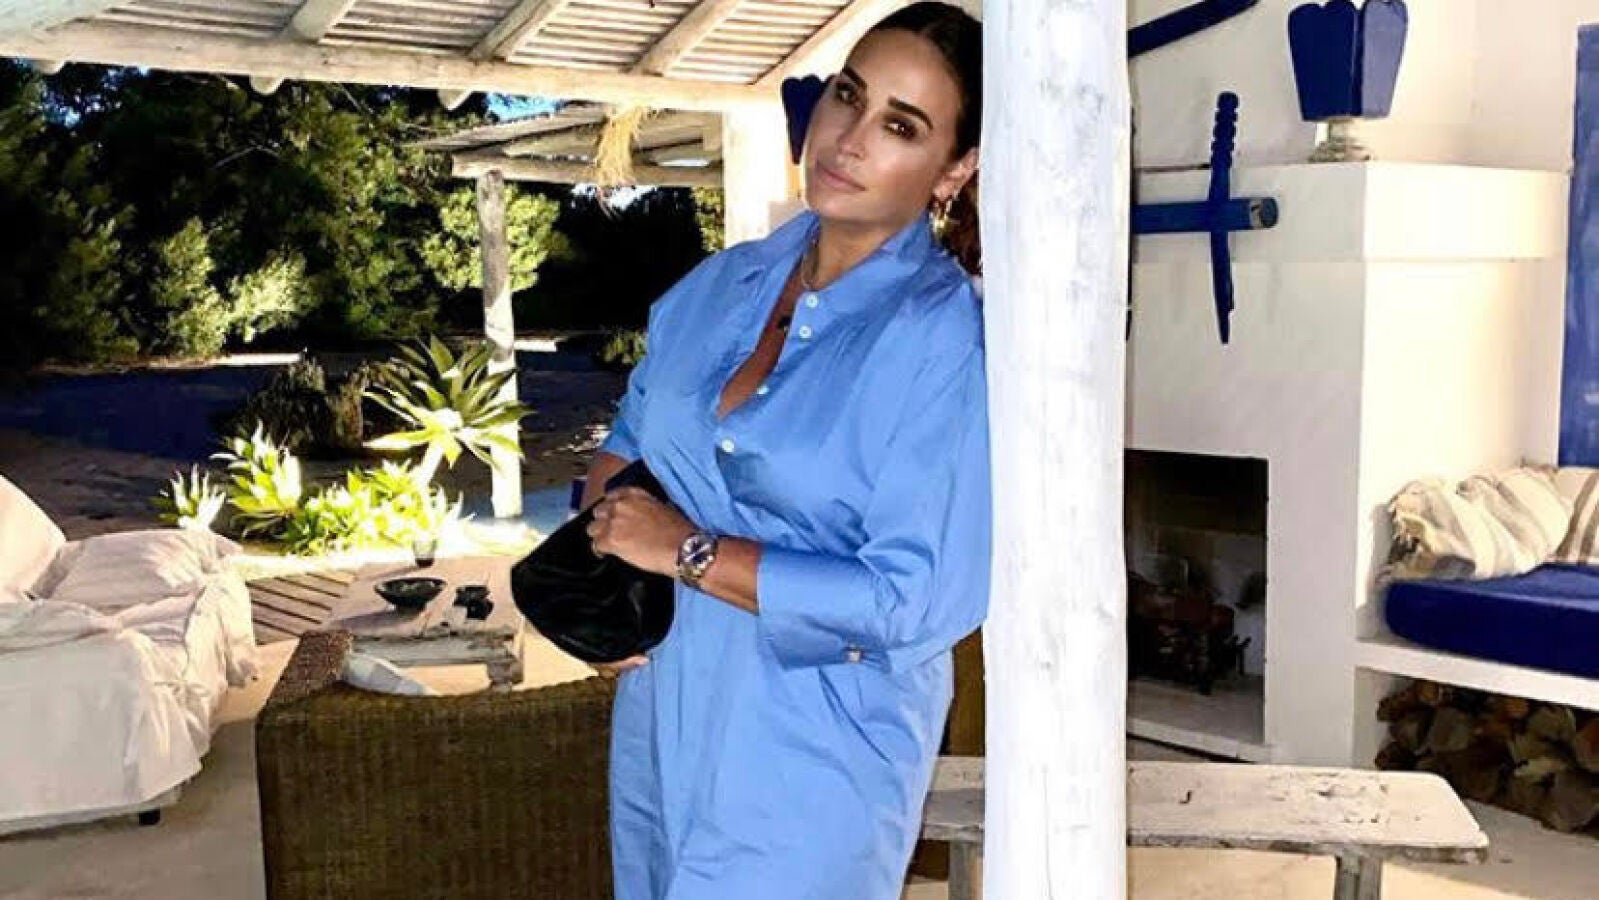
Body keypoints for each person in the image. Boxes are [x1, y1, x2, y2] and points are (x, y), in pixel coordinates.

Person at [580, 4, 989, 897]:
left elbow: (914, 598)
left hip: (815, 753)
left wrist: (687, 552)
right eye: (848, 95)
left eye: (900, 126)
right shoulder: (719, 284)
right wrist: (600, 586)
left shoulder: (941, 338)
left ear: (953, 169)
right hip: (662, 719)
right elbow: (628, 444)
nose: (849, 138)